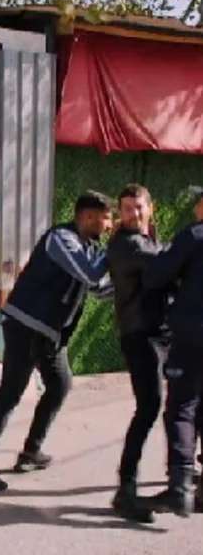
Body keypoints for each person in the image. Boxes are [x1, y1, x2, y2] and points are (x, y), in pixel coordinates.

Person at [0, 190, 114, 491]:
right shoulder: (61, 239)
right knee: (10, 394)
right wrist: (118, 247)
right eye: (106, 219)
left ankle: (31, 451)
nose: (110, 226)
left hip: (49, 334)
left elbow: (99, 289)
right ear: (88, 217)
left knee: (60, 384)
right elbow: (90, 275)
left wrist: (138, 288)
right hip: (26, 327)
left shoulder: (89, 246)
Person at [105, 184, 171, 523]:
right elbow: (168, 265)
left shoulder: (151, 240)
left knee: (186, 401)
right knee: (149, 406)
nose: (135, 214)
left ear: (151, 207)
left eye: (139, 207)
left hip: (164, 333)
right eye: (128, 208)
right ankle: (125, 489)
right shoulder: (126, 245)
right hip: (140, 335)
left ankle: (182, 475)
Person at [141, 185, 203, 517]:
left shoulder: (194, 235)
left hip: (193, 335)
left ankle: (180, 488)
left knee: (181, 408)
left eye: (199, 202)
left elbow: (155, 275)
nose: (194, 208)